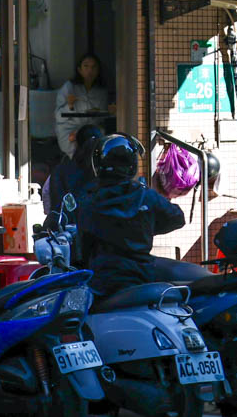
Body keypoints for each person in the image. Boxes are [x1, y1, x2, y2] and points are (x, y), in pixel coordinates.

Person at [76, 134, 185, 296]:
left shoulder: (89, 201)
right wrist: (146, 225)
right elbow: (177, 218)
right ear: (132, 164)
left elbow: (82, 248)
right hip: (141, 275)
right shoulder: (145, 196)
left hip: (103, 280)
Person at [54, 53, 113, 158]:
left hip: (91, 130)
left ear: (98, 70)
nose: (90, 70)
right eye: (86, 66)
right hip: (69, 129)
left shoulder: (101, 91)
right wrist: (70, 105)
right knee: (79, 152)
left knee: (96, 149)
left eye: (93, 67)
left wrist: (110, 111)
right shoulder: (69, 87)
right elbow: (58, 117)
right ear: (79, 69)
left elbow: (101, 118)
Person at [46, 124, 104, 215]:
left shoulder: (61, 170)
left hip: (68, 224)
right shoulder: (106, 170)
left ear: (76, 144)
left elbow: (55, 207)